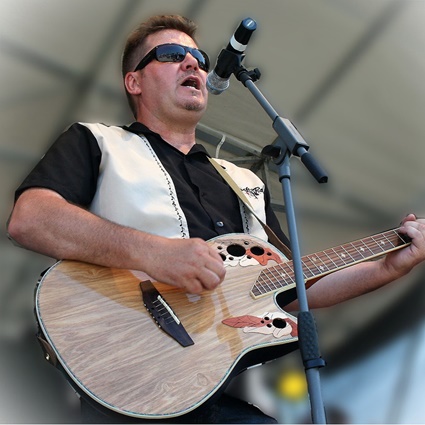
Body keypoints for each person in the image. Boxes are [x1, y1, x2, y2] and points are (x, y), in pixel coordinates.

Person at [6, 13, 425, 424]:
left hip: (208, 385)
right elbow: (32, 219)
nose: (192, 64)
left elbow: (292, 288)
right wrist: (154, 253)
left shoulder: (243, 181)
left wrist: (388, 268)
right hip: (128, 376)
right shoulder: (97, 141)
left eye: (199, 59)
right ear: (134, 82)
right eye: (172, 55)